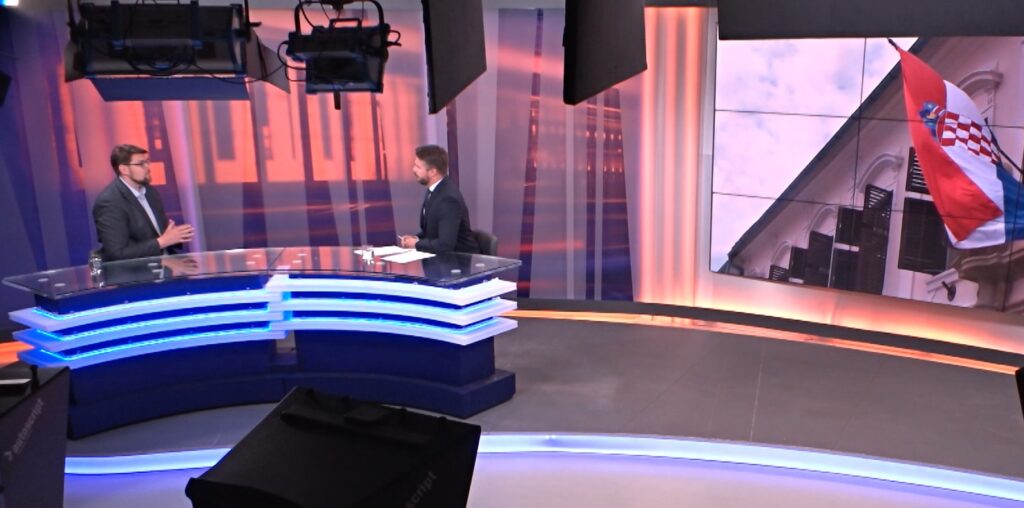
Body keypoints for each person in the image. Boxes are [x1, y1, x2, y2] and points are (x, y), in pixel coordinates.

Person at [92, 144, 194, 261]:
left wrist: (175, 236)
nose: (148, 167)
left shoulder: (150, 192)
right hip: (136, 270)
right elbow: (117, 254)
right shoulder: (109, 202)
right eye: (141, 164)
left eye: (147, 162)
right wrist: (162, 242)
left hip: (165, 264)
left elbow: (160, 236)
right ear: (124, 169)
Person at [398, 145, 480, 254]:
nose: (414, 170)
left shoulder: (448, 199)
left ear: (433, 172)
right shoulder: (434, 190)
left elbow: (445, 244)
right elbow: (433, 232)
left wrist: (416, 244)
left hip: (459, 260)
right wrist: (416, 238)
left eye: (418, 167)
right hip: (441, 258)